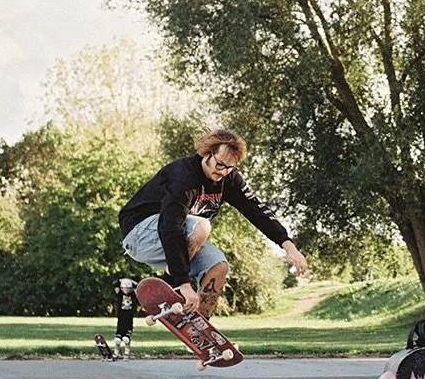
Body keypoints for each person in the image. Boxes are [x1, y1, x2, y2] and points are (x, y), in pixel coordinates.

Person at [119, 128, 307, 317]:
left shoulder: (229, 179)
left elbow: (256, 210)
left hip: (176, 239)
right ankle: (173, 281)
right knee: (201, 227)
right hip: (139, 233)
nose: (223, 172)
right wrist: (182, 282)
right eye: (220, 165)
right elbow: (170, 227)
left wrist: (288, 245)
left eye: (230, 167)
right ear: (206, 154)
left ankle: (199, 328)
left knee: (218, 267)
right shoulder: (183, 177)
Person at [112, 277, 138, 358]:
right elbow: (115, 283)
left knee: (127, 338)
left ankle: (127, 352)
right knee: (118, 338)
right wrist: (122, 280)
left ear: (130, 288)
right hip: (121, 318)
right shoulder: (119, 294)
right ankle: (116, 353)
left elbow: (139, 286)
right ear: (121, 288)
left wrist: (131, 281)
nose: (126, 289)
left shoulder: (133, 294)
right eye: (124, 288)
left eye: (127, 288)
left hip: (129, 318)